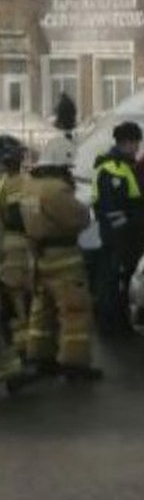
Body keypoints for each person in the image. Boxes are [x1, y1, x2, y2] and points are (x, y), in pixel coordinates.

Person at [22, 144, 99, 381]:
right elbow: (79, 217)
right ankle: (75, 363)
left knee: (41, 310)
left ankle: (39, 356)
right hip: (63, 258)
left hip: (39, 256)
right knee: (74, 311)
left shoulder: (29, 185)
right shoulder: (56, 190)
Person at [91, 121, 144, 335]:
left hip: (116, 234)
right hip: (116, 236)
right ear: (128, 142)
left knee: (114, 278)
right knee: (112, 279)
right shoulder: (114, 168)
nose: (138, 148)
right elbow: (112, 209)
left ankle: (114, 320)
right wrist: (125, 232)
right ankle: (110, 323)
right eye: (136, 143)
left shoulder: (122, 165)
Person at [0, 144, 34, 392]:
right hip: (19, 246)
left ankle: (14, 368)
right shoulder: (25, 183)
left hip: (9, 247)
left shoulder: (4, 185)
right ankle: (15, 367)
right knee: (17, 302)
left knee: (11, 305)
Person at [40, 92, 78, 171]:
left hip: (64, 121)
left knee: (64, 133)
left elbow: (57, 111)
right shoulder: (70, 102)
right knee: (68, 132)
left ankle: (66, 139)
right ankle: (69, 138)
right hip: (70, 121)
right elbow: (74, 111)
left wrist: (58, 120)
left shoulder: (62, 103)